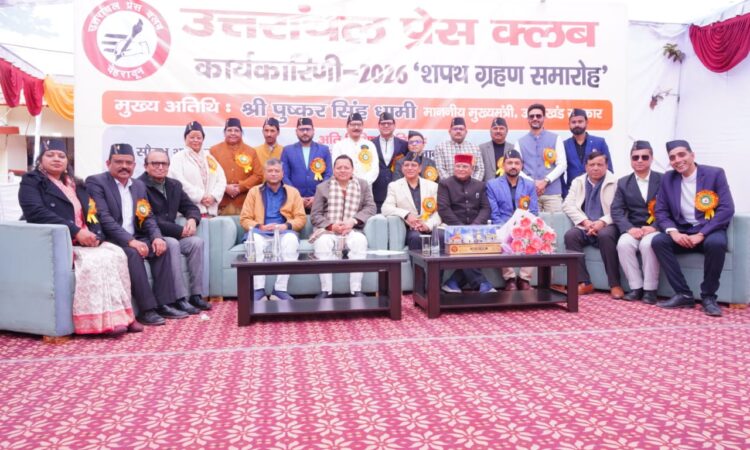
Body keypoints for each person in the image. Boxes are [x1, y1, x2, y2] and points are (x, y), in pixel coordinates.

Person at [18, 139, 141, 335]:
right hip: (61, 240)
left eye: (61, 156)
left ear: (67, 161)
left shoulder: (76, 184)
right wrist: (76, 231)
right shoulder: (31, 181)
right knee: (93, 263)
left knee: (117, 254)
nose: (56, 159)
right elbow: (36, 212)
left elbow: (92, 212)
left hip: (85, 239)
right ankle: (97, 323)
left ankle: (124, 317)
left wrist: (97, 235)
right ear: (40, 159)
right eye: (50, 155)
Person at [86, 143, 186, 326]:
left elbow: (147, 216)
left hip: (136, 236)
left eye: (128, 162)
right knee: (132, 253)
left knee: (161, 248)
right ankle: (146, 310)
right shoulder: (96, 182)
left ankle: (164, 303)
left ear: (134, 165)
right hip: (112, 240)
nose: (124, 166)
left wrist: (157, 237)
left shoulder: (138, 186)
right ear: (108, 163)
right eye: (119, 162)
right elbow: (104, 217)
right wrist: (130, 241)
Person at [651, 140, 735, 317]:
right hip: (682, 230)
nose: (677, 160)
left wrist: (702, 234)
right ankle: (683, 294)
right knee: (658, 241)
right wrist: (673, 232)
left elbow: (727, 209)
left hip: (708, 230)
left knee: (717, 243)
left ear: (692, 155)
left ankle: (709, 297)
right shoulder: (668, 178)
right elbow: (661, 210)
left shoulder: (715, 174)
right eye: (672, 157)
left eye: (682, 154)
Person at [139, 148, 212, 313]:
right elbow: (149, 219)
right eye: (155, 163)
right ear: (146, 166)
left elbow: (191, 207)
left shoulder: (174, 185)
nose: (160, 167)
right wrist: (179, 231)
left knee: (196, 242)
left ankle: (196, 295)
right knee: (172, 243)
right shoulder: (139, 186)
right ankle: (179, 299)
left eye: (164, 163)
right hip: (149, 236)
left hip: (172, 234)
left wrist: (192, 220)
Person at [310, 155, 376, 299]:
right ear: (333, 170)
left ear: (352, 169)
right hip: (328, 231)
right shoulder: (322, 187)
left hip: (352, 229)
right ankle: (326, 290)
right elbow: (315, 215)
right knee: (322, 243)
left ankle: (356, 290)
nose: (343, 170)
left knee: (360, 241)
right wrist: (331, 226)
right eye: (339, 167)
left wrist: (353, 221)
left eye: (346, 167)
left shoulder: (362, 185)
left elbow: (371, 207)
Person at [239, 158, 306, 301]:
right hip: (260, 231)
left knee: (291, 241)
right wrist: (260, 226)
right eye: (270, 171)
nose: (273, 174)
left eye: (277, 171)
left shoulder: (293, 192)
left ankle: (279, 290)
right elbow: (244, 219)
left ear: (282, 174)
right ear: (264, 173)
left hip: (283, 232)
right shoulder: (254, 192)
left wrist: (285, 226)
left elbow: (301, 218)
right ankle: (258, 290)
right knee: (255, 242)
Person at [562, 151, 622, 298]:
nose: (595, 168)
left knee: (605, 235)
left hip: (608, 225)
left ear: (606, 166)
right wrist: (585, 222)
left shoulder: (616, 182)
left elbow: (620, 208)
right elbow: (567, 205)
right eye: (592, 165)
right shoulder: (578, 182)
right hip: (586, 224)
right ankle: (584, 283)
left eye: (599, 164)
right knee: (571, 235)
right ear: (586, 167)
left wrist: (602, 222)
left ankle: (615, 284)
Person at [611, 141, 663, 303]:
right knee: (623, 244)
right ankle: (636, 287)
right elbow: (616, 210)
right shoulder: (623, 182)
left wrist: (655, 227)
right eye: (635, 157)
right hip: (634, 228)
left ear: (651, 158)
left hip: (656, 228)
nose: (640, 160)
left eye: (644, 157)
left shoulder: (663, 179)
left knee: (648, 245)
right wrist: (629, 229)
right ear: (631, 160)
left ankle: (650, 289)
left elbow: (672, 208)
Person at [437, 154, 495, 294]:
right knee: (465, 242)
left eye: (464, 166)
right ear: (454, 167)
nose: (461, 169)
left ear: (471, 169)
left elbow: (486, 208)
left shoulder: (480, 185)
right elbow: (444, 209)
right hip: (452, 228)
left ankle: (453, 282)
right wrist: (461, 229)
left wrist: (475, 226)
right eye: (458, 166)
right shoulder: (445, 184)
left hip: (476, 228)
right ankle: (481, 283)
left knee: (484, 241)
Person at [486, 150, 537, 290]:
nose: (513, 166)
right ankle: (510, 279)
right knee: (499, 238)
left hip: (524, 224)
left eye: (516, 163)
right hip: (502, 224)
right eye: (510, 163)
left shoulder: (529, 185)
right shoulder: (492, 184)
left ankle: (524, 279)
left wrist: (523, 228)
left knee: (534, 236)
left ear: (521, 165)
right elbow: (494, 213)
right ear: (503, 165)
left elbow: (533, 211)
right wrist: (507, 229)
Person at [381, 151, 441, 250]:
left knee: (442, 236)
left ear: (420, 168)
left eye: (413, 165)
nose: (410, 168)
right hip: (410, 228)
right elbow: (386, 208)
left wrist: (427, 225)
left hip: (429, 224)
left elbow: (439, 211)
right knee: (416, 238)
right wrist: (407, 215)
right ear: (402, 168)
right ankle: (416, 261)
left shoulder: (432, 186)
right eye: (406, 165)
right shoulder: (394, 186)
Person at [168, 121, 226, 217]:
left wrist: (213, 196)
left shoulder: (209, 158)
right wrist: (200, 196)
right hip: (189, 213)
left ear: (203, 139)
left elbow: (221, 179)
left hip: (210, 211)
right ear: (185, 138)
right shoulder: (178, 158)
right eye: (192, 137)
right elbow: (178, 181)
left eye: (199, 138)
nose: (195, 140)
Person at [518, 104, 567, 212]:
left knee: (555, 222)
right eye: (532, 116)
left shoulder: (556, 138)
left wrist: (545, 181)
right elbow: (518, 168)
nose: (535, 118)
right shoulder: (520, 142)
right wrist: (533, 183)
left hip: (552, 193)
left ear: (544, 118)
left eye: (538, 116)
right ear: (528, 119)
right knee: (531, 222)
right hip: (529, 193)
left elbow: (562, 164)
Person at [210, 117, 262, 215]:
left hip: (244, 204)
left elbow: (258, 175)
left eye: (236, 130)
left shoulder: (251, 151)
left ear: (241, 133)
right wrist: (225, 187)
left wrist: (240, 187)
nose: (233, 133)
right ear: (224, 133)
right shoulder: (214, 151)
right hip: (221, 203)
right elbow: (210, 175)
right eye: (229, 130)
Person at [281, 117, 332, 211]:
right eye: (301, 129)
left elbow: (328, 175)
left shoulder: (324, 150)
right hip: (294, 201)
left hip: (320, 201)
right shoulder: (287, 150)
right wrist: (296, 197)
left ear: (313, 131)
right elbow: (284, 176)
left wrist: (317, 196)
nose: (305, 132)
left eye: (308, 129)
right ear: (296, 131)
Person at [562, 108, 612, 197]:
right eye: (573, 122)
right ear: (569, 124)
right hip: (573, 193)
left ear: (586, 122)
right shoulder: (564, 145)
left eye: (580, 121)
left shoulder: (599, 142)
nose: (577, 124)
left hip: (597, 192)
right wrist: (566, 193)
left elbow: (609, 169)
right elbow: (560, 173)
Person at [370, 112, 408, 212]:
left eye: (389, 123)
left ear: (394, 125)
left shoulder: (404, 145)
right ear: (378, 126)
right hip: (375, 191)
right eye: (383, 123)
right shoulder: (370, 144)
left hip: (398, 193)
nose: (386, 125)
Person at [331, 112, 378, 186]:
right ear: (347, 127)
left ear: (362, 127)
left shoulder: (370, 145)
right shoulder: (338, 146)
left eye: (359, 125)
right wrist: (350, 183)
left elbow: (375, 168)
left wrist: (363, 183)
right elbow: (336, 168)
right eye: (353, 125)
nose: (356, 127)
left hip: (366, 186)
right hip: (345, 187)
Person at [479, 117, 517, 182]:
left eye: (501, 128)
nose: (498, 131)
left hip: (508, 186)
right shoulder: (481, 148)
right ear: (490, 131)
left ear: (507, 131)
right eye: (495, 128)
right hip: (487, 186)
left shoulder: (514, 148)